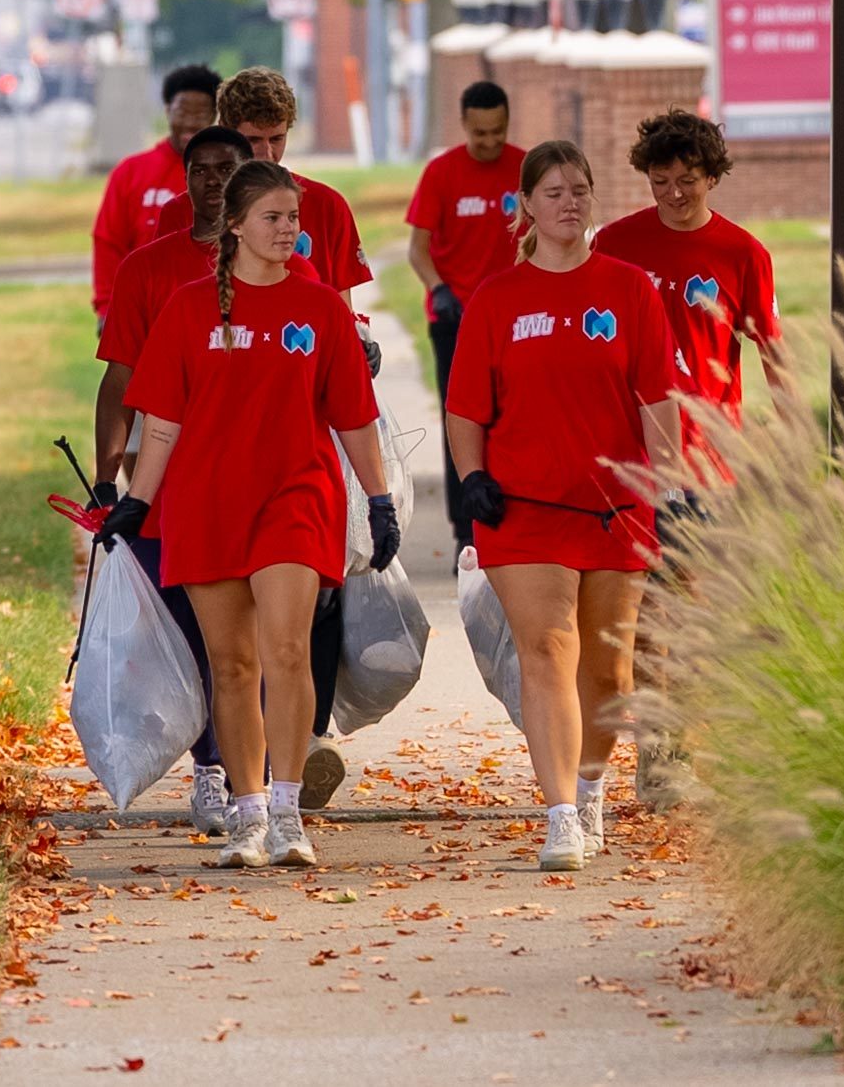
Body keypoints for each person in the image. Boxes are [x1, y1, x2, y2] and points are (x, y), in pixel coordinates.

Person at [96, 161, 401, 868]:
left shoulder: (321, 307)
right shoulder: (190, 307)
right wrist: (137, 496)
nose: (289, 229)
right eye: (273, 217)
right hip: (205, 503)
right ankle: (248, 812)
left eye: (293, 217)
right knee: (230, 665)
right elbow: (163, 420)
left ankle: (290, 810)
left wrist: (378, 499)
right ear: (234, 225)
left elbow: (353, 415)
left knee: (286, 650)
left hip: (295, 495)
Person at [446, 140, 681, 871]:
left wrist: (664, 487)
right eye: (552, 191)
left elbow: (656, 399)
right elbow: (464, 408)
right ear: (524, 207)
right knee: (547, 650)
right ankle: (558, 818)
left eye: (579, 189)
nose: (568, 202)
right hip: (522, 504)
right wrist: (470, 474)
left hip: (613, 508)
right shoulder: (496, 298)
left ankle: (588, 784)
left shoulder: (628, 289)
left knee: (607, 671)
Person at [89, 126, 317, 835]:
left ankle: (269, 790)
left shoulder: (297, 280)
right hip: (178, 491)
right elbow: (124, 381)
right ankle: (215, 771)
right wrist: (112, 479)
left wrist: (369, 497)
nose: (215, 180)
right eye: (202, 169)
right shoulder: (153, 274)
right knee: (205, 646)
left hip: (280, 491)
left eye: (229, 168)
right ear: (182, 178)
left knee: (280, 644)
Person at [214, 65, 378, 805]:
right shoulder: (214, 207)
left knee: (318, 582)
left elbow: (341, 302)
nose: (267, 153)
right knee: (230, 615)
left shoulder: (324, 206)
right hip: (230, 427)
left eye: (277, 138)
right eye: (252, 140)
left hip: (309, 421)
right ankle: (231, 759)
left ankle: (305, 742)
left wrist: (357, 343)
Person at [592, 109, 781, 484]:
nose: (673, 193)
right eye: (660, 181)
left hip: (706, 459)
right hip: (627, 456)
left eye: (687, 180)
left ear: (712, 178)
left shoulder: (743, 254)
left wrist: (797, 443)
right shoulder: (612, 245)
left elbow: (773, 354)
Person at [405, 80, 525, 554]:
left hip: (513, 318)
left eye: (498, 132)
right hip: (455, 317)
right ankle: (464, 532)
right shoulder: (442, 173)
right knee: (464, 419)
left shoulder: (524, 168)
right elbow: (417, 250)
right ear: (464, 126)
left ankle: (513, 512)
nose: (490, 143)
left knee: (512, 418)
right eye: (481, 134)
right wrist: (439, 289)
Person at [90, 64, 221, 324]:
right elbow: (109, 241)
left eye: (202, 113)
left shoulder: (228, 175)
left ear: (215, 115)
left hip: (211, 313)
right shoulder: (131, 172)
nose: (191, 123)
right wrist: (107, 307)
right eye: (183, 111)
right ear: (167, 110)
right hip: (145, 312)